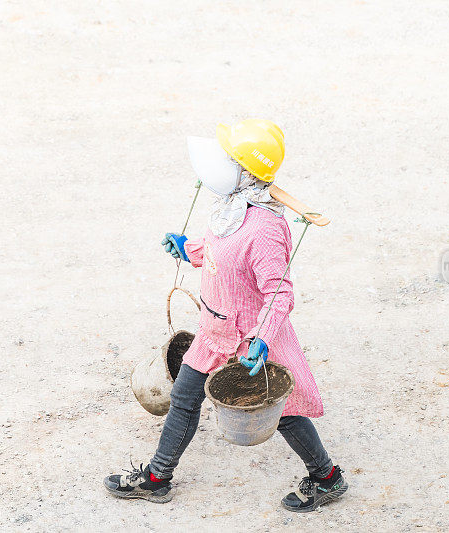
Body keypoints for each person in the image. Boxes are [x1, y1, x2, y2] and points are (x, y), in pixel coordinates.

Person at [103, 119, 347, 512]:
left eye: (229, 157)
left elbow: (279, 294)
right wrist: (189, 249)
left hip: (250, 338)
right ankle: (157, 477)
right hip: (214, 328)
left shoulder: (266, 227)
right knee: (184, 398)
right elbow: (221, 251)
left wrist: (262, 340)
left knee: (282, 412)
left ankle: (327, 477)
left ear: (249, 170)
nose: (219, 162)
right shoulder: (232, 206)